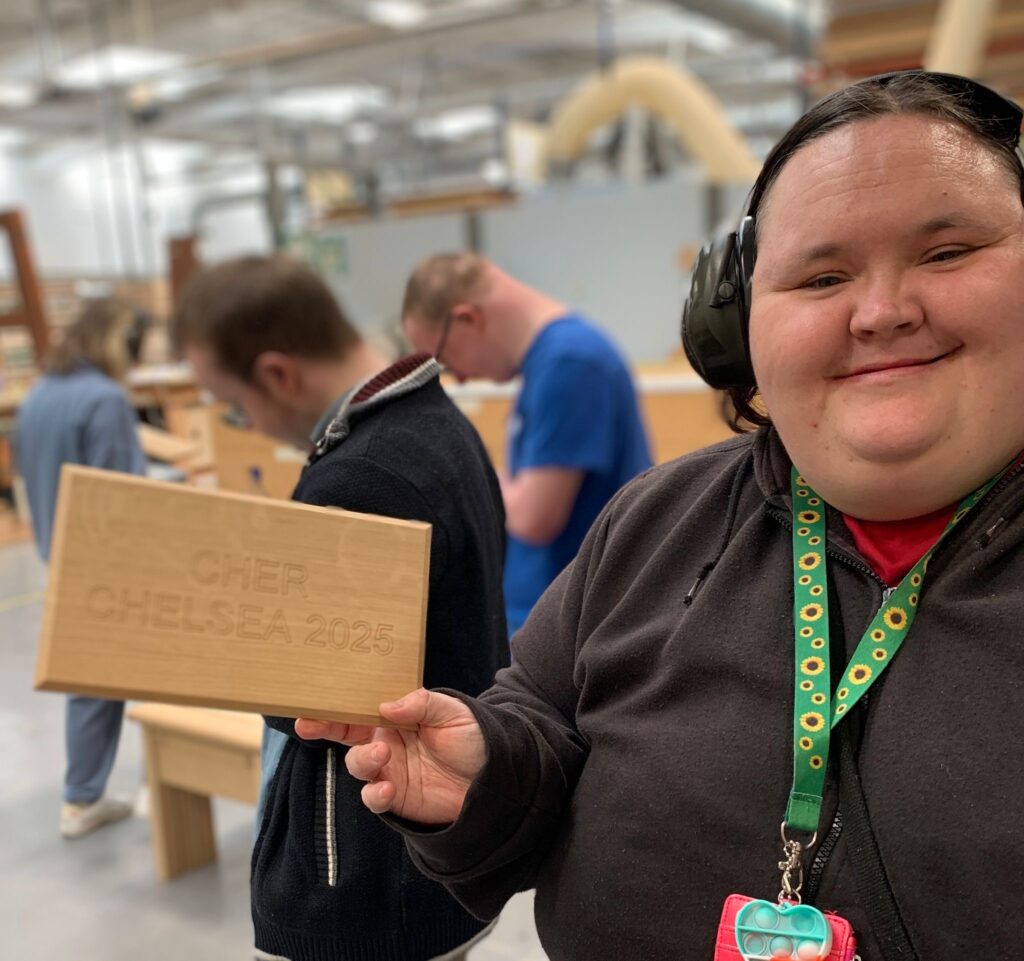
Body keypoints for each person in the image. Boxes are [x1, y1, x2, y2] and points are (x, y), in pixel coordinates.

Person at [300, 71, 1024, 960]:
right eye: (823, 274)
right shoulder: (655, 520)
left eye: (945, 252)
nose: (880, 312)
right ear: (736, 323)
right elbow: (543, 715)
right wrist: (488, 771)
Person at [170, 255, 509, 961]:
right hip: (430, 849)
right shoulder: (436, 421)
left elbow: (304, 701)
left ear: (277, 374)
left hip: (363, 873)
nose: (247, 423)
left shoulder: (359, 476)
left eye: (234, 405)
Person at [401, 255, 652, 633]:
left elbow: (535, 517)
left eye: (446, 360)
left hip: (570, 629)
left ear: (469, 319)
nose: (463, 378)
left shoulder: (570, 363)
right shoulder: (550, 361)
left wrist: (473, 480)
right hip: (552, 621)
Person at [16, 297, 149, 838]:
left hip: (59, 551)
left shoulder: (40, 392)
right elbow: (122, 495)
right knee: (153, 672)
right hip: (109, 562)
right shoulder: (104, 398)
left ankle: (82, 796)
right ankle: (157, 790)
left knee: (93, 680)